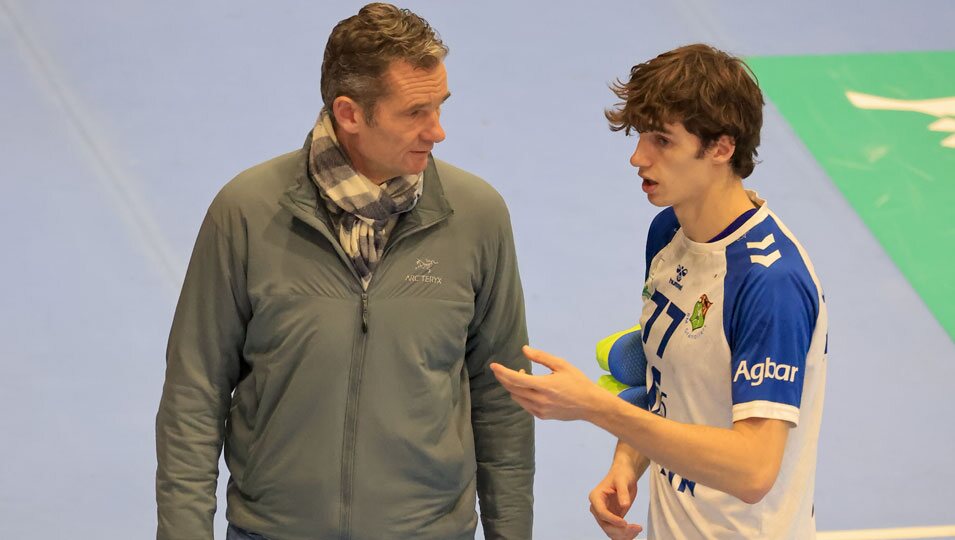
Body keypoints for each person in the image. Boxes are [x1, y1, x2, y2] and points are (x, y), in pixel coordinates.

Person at [155, 4, 534, 539]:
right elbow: (194, 394)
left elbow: (503, 398)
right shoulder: (245, 211)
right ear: (350, 114)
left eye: (441, 106)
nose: (438, 131)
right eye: (415, 113)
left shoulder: (478, 215)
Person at [491, 43, 827, 539]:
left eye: (662, 141)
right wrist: (627, 461)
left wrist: (597, 407)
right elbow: (666, 387)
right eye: (640, 136)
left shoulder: (770, 284)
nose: (637, 156)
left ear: (721, 147)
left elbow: (755, 470)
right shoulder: (669, 232)